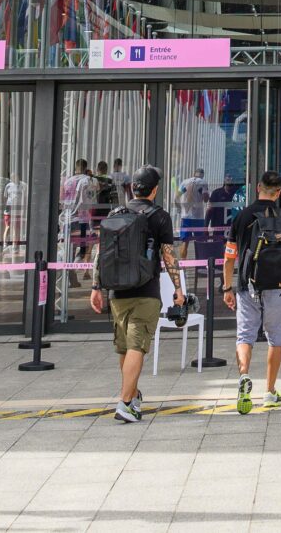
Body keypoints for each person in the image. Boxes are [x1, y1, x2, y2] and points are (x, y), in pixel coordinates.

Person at [89, 164, 178, 423]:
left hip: (117, 291)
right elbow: (169, 256)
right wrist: (179, 291)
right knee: (137, 346)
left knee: (125, 348)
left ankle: (134, 395)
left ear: (132, 188)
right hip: (146, 291)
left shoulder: (118, 213)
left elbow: (100, 252)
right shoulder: (160, 216)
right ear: (155, 190)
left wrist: (96, 287)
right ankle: (125, 402)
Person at [222, 169, 281, 413]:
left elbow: (229, 257)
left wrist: (227, 286)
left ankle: (244, 375)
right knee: (275, 339)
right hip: (277, 287)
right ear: (279, 192)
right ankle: (270, 391)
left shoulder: (243, 215)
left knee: (245, 336)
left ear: (258, 187)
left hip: (248, 284)